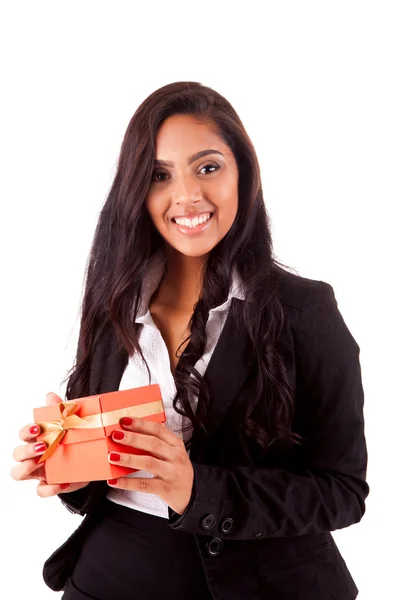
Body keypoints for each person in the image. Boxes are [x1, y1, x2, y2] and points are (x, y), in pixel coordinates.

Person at [11, 81, 369, 600]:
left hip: (263, 584)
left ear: (243, 173)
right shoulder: (113, 301)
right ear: (137, 190)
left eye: (208, 167)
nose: (188, 196)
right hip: (109, 576)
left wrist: (198, 491)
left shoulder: (304, 311)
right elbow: (108, 467)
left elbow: (342, 492)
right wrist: (69, 463)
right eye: (160, 175)